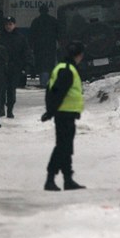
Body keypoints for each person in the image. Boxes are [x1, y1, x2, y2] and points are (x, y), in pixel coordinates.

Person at [40, 41, 86, 191]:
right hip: (64, 114)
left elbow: (50, 91)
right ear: (79, 55)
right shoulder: (67, 70)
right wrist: (51, 111)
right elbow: (58, 93)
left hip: (66, 114)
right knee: (62, 147)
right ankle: (50, 178)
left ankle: (67, 179)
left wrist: (50, 110)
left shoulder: (62, 67)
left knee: (65, 147)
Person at [0, 16, 34, 118]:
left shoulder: (20, 38)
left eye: (10, 24)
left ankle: (10, 109)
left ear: (14, 25)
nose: (8, 26)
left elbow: (26, 52)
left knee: (11, 90)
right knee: (1, 90)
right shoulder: (0, 37)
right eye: (7, 24)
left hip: (15, 68)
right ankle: (1, 108)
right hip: (2, 68)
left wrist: (27, 66)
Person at [29, 4, 58, 88]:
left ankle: (43, 82)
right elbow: (58, 34)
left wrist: (30, 47)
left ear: (40, 11)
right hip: (50, 47)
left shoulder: (36, 21)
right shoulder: (53, 21)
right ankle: (50, 81)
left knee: (41, 65)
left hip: (39, 48)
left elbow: (31, 35)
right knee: (49, 64)